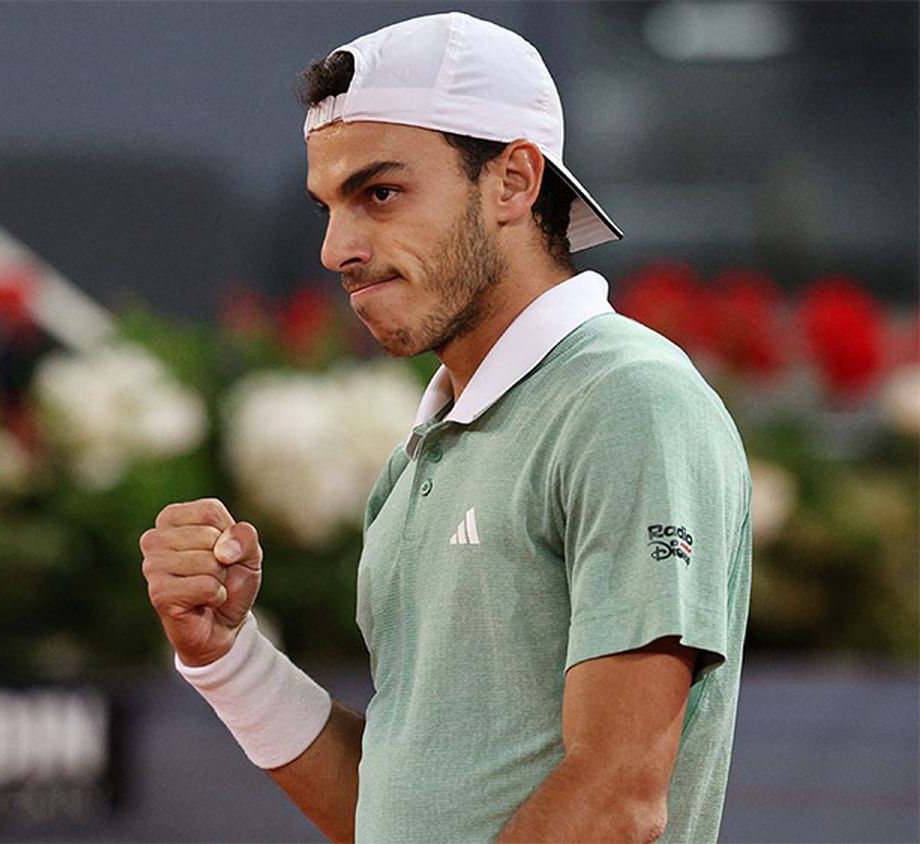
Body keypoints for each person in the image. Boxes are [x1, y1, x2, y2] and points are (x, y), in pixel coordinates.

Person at [140, 12, 751, 843]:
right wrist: (228, 659)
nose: (336, 248)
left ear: (513, 182)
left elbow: (615, 800)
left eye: (379, 194)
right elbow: (392, 811)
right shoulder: (424, 450)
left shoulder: (626, 401)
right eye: (328, 205)